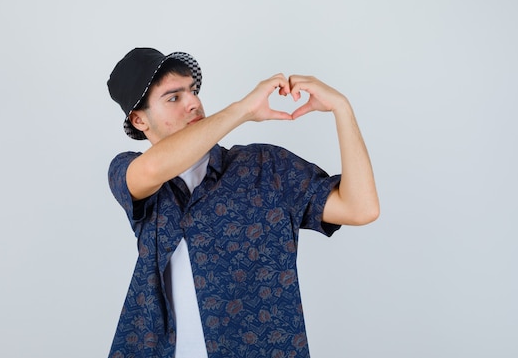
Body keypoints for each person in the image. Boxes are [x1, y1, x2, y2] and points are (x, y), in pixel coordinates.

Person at [106, 47, 379, 358]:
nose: (194, 102)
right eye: (174, 97)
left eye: (193, 91)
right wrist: (243, 110)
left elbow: (361, 207)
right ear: (140, 120)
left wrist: (342, 109)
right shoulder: (129, 172)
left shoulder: (265, 166)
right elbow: (153, 168)